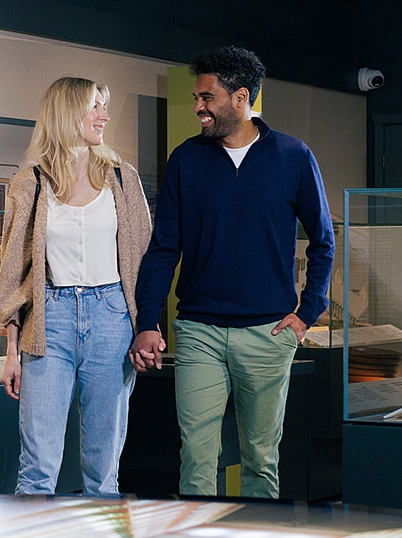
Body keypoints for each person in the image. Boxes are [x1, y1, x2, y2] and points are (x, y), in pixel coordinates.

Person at [129, 46, 334, 498]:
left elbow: (324, 240)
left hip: (268, 334)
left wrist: (308, 313)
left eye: (207, 97)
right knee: (197, 458)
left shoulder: (293, 156)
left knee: (261, 461)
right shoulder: (186, 159)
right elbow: (164, 248)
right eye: (197, 97)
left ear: (241, 97)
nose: (198, 107)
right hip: (199, 331)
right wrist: (148, 323)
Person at [0, 76, 152, 496]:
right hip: (51, 322)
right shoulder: (31, 181)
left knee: (103, 472)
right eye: (94, 107)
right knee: (37, 469)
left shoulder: (123, 177)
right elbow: (14, 270)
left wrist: (147, 327)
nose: (103, 116)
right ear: (67, 113)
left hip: (111, 319)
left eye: (104, 106)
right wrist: (11, 352)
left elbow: (143, 257)